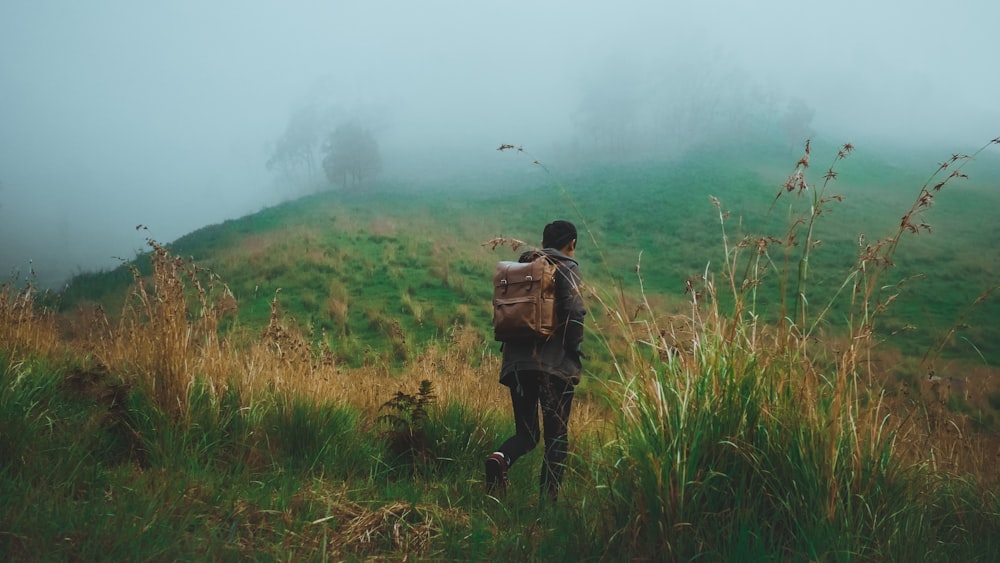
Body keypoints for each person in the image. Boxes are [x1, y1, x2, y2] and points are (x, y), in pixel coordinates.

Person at [486, 220, 586, 501]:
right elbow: (575, 313)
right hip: (554, 368)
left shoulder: (521, 270)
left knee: (528, 435)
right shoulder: (567, 267)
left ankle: (499, 458)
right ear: (572, 244)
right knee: (556, 438)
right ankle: (547, 505)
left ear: (543, 243)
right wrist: (574, 350)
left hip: (516, 365)